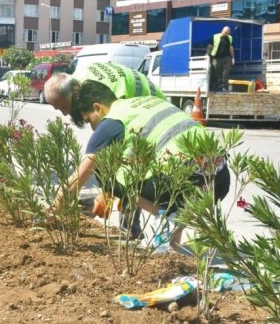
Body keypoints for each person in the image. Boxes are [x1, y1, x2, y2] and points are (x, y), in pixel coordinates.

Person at [55, 80, 230, 250]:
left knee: (103, 171)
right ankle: (171, 240)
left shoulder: (111, 122)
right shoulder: (146, 101)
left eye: (89, 120)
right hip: (219, 178)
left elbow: (80, 175)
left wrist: (54, 211)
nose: (93, 128)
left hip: (187, 180)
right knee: (154, 168)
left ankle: (165, 214)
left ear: (97, 108)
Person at [44, 63, 165, 237]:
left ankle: (133, 227)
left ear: (73, 96)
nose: (64, 114)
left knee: (129, 175)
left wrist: (108, 192)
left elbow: (120, 153)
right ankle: (135, 223)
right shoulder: (79, 83)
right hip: (148, 108)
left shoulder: (113, 100)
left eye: (63, 107)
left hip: (152, 110)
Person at [44, 62, 165, 126]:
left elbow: (108, 135)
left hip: (154, 106)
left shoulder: (97, 93)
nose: (65, 113)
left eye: (64, 107)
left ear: (74, 91)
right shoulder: (78, 78)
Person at [207, 26, 235, 92]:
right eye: (225, 32)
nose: (226, 34)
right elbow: (209, 47)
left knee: (226, 73)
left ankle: (224, 87)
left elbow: (231, 48)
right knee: (215, 73)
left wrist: (233, 58)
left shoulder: (230, 38)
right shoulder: (215, 36)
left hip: (227, 58)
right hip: (216, 57)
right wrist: (207, 55)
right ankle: (214, 87)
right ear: (222, 30)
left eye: (227, 33)